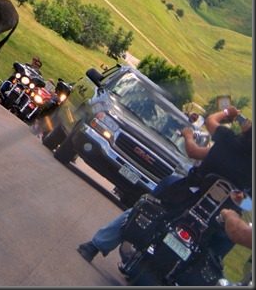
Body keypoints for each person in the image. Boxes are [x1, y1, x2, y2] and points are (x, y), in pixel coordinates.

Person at [77, 104, 252, 263]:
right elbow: (249, 204)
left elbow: (208, 123)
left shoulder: (226, 140)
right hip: (216, 219)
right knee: (218, 250)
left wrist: (228, 113)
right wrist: (234, 203)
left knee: (145, 208)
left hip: (185, 196)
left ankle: (94, 246)